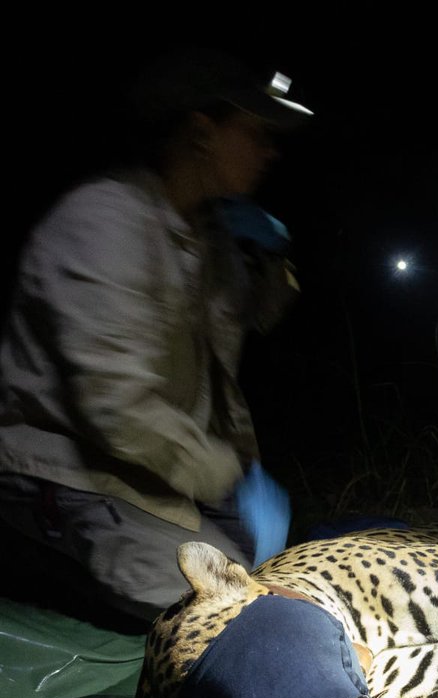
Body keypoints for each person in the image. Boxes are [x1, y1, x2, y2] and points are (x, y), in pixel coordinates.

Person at [0, 48, 309, 624]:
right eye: (256, 131)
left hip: (145, 467)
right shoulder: (104, 220)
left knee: (258, 565)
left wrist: (276, 255)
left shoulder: (209, 238)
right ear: (201, 131)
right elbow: (116, 407)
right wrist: (230, 477)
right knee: (229, 608)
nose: (271, 150)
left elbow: (256, 315)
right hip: (64, 474)